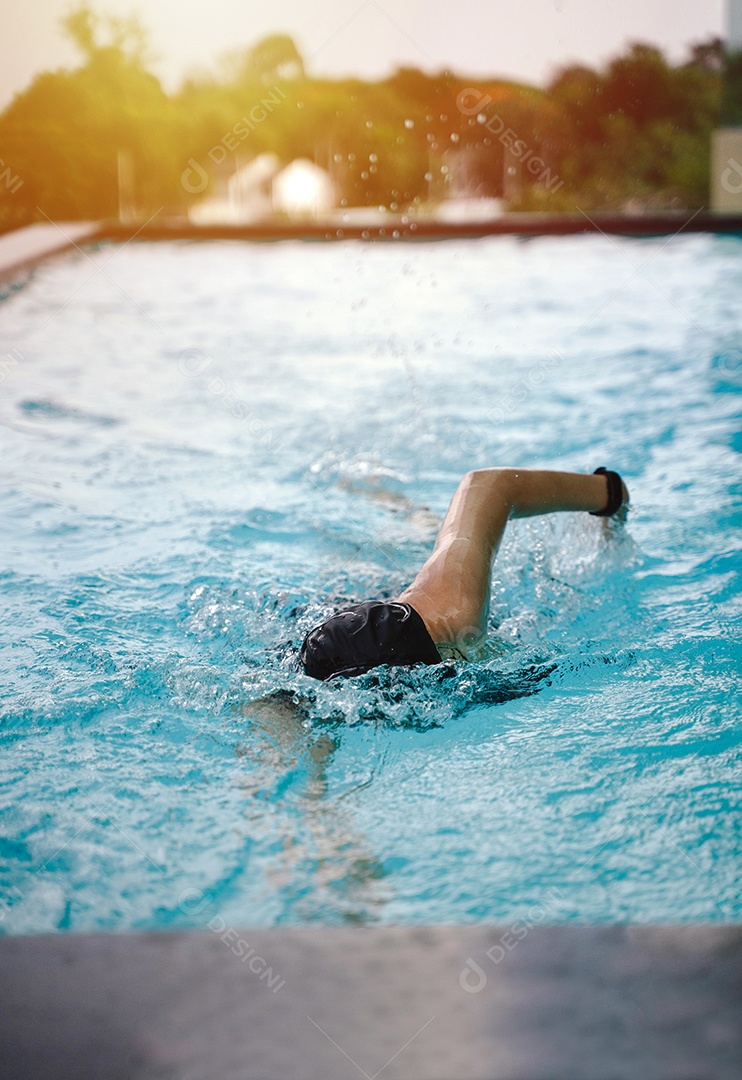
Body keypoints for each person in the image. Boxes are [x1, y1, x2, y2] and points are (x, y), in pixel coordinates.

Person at [300, 466, 628, 681]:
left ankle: (394, 501)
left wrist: (609, 494)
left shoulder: (450, 610)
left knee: (425, 534)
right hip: (372, 644)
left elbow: (486, 485)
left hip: (408, 624)